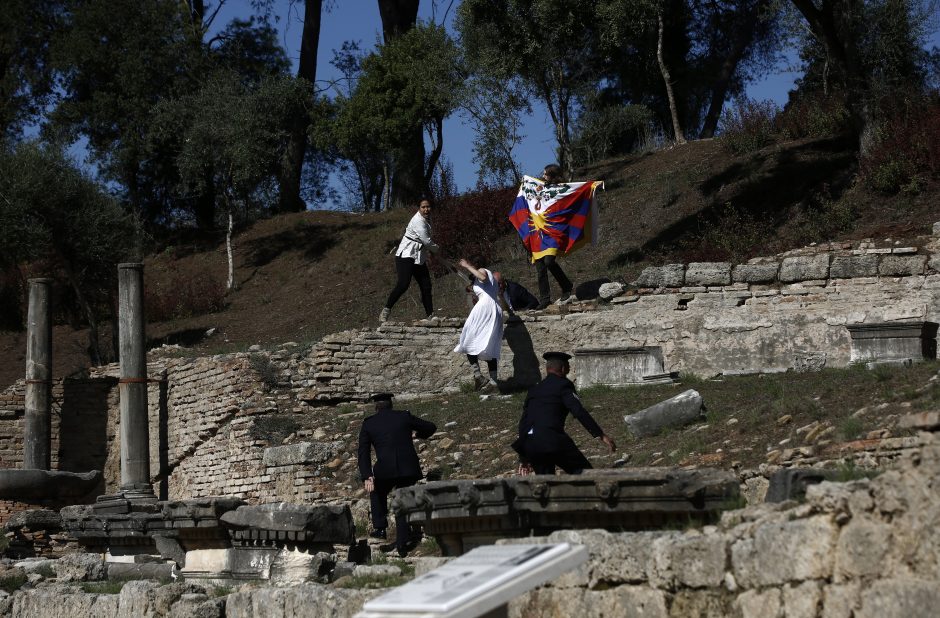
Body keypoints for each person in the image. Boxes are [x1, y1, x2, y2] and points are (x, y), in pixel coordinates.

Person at [357, 392, 437, 556]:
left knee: (377, 491)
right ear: (391, 404)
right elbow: (430, 427)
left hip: (384, 470)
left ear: (376, 407)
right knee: (403, 500)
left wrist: (367, 476)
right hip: (408, 469)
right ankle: (402, 542)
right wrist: (417, 434)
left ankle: (380, 528)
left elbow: (363, 453)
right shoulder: (404, 416)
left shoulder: (369, 424)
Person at [512, 351, 616, 475]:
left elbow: (524, 423)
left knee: (546, 485)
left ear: (547, 369)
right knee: (585, 475)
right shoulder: (564, 385)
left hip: (532, 444)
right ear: (562, 368)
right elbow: (578, 411)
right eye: (568, 366)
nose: (570, 368)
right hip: (552, 439)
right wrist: (600, 434)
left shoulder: (534, 390)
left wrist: (524, 457)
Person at [380, 198, 439, 322]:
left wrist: (433, 251)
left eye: (428, 207)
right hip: (406, 255)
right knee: (403, 284)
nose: (426, 209)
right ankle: (386, 310)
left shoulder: (428, 220)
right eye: (423, 207)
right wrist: (437, 249)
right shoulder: (418, 221)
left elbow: (426, 241)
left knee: (426, 286)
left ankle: (431, 315)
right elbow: (426, 240)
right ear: (419, 208)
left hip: (419, 256)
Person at [453, 258, 504, 391]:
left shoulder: (482, 271)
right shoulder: (490, 281)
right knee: (489, 345)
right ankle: (493, 383)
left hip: (485, 309)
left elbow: (482, 276)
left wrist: (466, 265)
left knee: (468, 340)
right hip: (494, 309)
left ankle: (478, 376)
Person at [533, 164, 574, 310]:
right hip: (539, 230)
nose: (543, 177)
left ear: (552, 175)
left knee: (549, 261)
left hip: (555, 229)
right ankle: (544, 299)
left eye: (545, 174)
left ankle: (566, 285)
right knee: (540, 266)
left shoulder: (562, 189)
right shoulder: (542, 188)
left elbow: (573, 195)